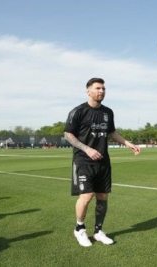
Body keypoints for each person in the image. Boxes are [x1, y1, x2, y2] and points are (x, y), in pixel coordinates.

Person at [64, 78, 141, 247]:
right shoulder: (78, 111)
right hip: (83, 161)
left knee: (103, 197)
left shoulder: (108, 112)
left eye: (103, 88)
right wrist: (87, 149)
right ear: (88, 91)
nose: (101, 91)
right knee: (86, 196)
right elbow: (68, 135)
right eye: (98, 88)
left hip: (103, 162)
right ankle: (79, 228)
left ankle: (98, 231)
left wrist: (127, 143)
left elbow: (112, 132)